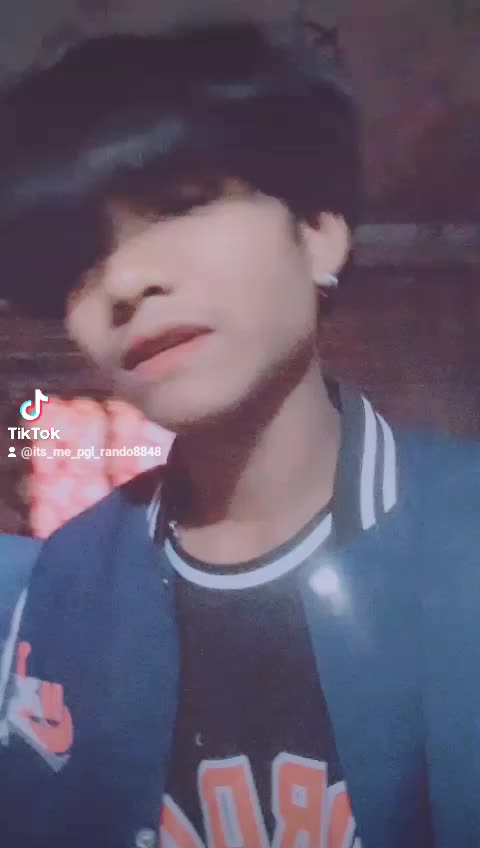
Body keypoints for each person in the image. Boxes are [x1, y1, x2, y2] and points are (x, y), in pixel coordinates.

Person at [0, 20, 479, 848]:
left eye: (182, 205)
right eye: (81, 259)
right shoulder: (57, 591)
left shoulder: (462, 536)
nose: (124, 281)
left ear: (318, 229)